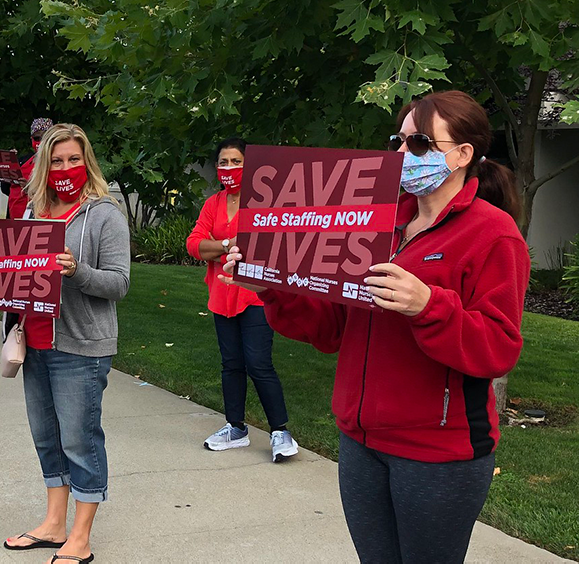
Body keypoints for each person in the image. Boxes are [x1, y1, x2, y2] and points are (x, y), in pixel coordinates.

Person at [220, 90, 529, 563]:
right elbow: (332, 330)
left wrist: (427, 305)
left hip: (436, 452)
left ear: (463, 154)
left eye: (420, 144)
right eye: (398, 141)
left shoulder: (493, 233)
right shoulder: (377, 226)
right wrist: (271, 284)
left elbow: (498, 349)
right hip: (361, 442)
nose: (402, 155)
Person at [0, 123, 130, 564]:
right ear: (44, 164)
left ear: (87, 161)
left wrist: (77, 272)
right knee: (47, 438)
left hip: (81, 346)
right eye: (56, 160)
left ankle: (81, 535)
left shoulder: (105, 213)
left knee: (80, 439)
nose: (65, 167)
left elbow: (119, 283)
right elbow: (14, 273)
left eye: (74, 159)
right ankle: (55, 523)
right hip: (34, 342)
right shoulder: (33, 212)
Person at [186, 138, 297, 461]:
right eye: (223, 162)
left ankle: (280, 431)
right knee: (231, 364)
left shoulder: (264, 204)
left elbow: (264, 246)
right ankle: (235, 428)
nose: (229, 169)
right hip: (222, 295)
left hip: (256, 296)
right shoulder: (213, 204)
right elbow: (194, 245)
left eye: (236, 162)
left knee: (259, 364)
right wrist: (226, 245)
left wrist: (219, 246)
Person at [0, 117, 53, 219]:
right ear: (31, 139)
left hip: (38, 219)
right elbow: (6, 189)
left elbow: (54, 195)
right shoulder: (22, 161)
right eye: (37, 138)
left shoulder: (55, 163)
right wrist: (8, 166)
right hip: (13, 218)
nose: (40, 142)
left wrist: (30, 189)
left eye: (44, 138)